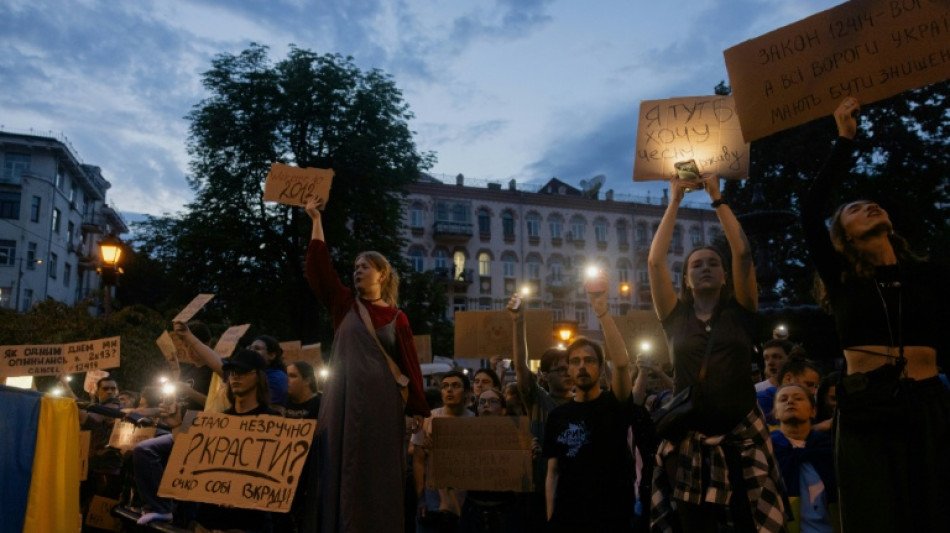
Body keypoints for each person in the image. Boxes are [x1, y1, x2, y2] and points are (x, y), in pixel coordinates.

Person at [800, 96, 950, 531]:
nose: (868, 206)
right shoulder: (844, 279)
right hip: (867, 407)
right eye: (853, 209)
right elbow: (809, 213)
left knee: (933, 506)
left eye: (872, 204)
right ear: (841, 237)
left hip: (927, 404)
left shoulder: (926, 277)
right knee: (877, 511)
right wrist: (844, 140)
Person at [648, 174, 786, 532]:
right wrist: (674, 200)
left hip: (743, 443)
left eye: (712, 263)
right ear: (686, 280)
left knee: (747, 523)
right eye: (696, 264)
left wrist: (717, 197)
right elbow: (654, 262)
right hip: (690, 448)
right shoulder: (675, 318)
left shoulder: (740, 313)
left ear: (725, 276)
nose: (705, 267)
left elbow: (742, 252)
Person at [304, 196, 429, 533]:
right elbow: (319, 270)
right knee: (337, 467)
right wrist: (316, 219)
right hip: (341, 403)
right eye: (355, 266)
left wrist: (417, 408)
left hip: (381, 409)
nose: (357, 270)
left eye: (365, 266)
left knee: (376, 474)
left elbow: (410, 364)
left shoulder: (396, 317)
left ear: (382, 274)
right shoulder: (344, 304)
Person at [542, 270, 637, 533]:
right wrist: (551, 515)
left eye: (589, 361)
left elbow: (621, 363)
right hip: (567, 519)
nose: (582, 367)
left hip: (612, 517)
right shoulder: (558, 417)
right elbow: (553, 472)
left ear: (599, 368)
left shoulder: (614, 404)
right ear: (569, 370)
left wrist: (601, 311)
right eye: (575, 362)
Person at [193, 349, 279, 533]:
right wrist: (177, 423)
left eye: (242, 371)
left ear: (258, 376)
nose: (234, 377)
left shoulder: (272, 420)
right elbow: (192, 459)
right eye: (232, 372)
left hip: (245, 523)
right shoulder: (220, 419)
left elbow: (274, 474)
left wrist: (239, 493)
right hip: (207, 520)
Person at [412, 371, 475, 532]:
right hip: (432, 503)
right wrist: (420, 499)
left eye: (455, 386)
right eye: (445, 386)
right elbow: (418, 461)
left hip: (464, 503)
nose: (449, 390)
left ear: (467, 392)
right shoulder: (428, 419)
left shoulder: (475, 422)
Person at [770, 384, 836, 533]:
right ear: (775, 414)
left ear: (813, 411)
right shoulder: (768, 450)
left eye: (798, 398)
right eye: (783, 399)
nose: (790, 401)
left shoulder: (829, 448)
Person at [247, 334, 289, 408]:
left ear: (271, 355)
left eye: (257, 348)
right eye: (250, 348)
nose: (251, 352)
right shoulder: (255, 373)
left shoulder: (276, 379)